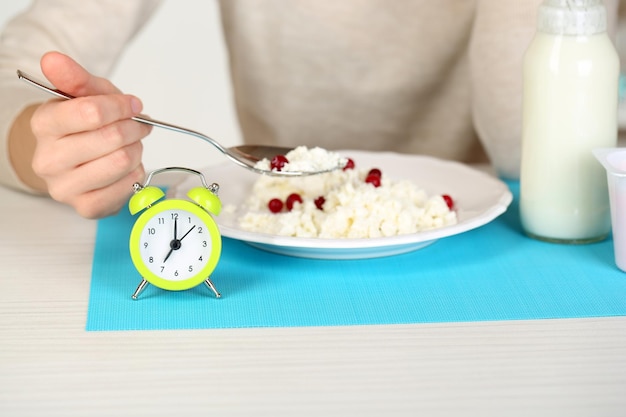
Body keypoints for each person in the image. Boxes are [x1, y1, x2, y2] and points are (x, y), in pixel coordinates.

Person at [0, 0, 622, 218]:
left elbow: (530, 152)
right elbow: (18, 66)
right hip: (272, 234)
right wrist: (43, 142)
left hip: (493, 243)